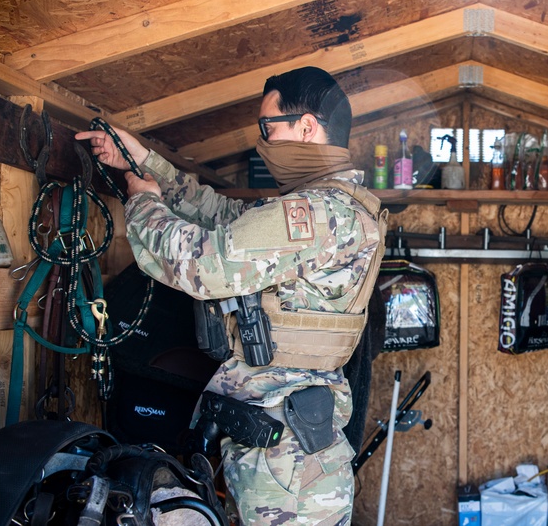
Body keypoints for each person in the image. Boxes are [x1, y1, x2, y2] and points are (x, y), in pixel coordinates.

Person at [77, 66, 386, 525]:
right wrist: (144, 160)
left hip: (287, 466)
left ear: (306, 127)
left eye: (268, 127)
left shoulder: (316, 215)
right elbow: (225, 217)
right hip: (289, 448)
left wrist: (143, 201)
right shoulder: (334, 205)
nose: (261, 142)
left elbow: (205, 264)